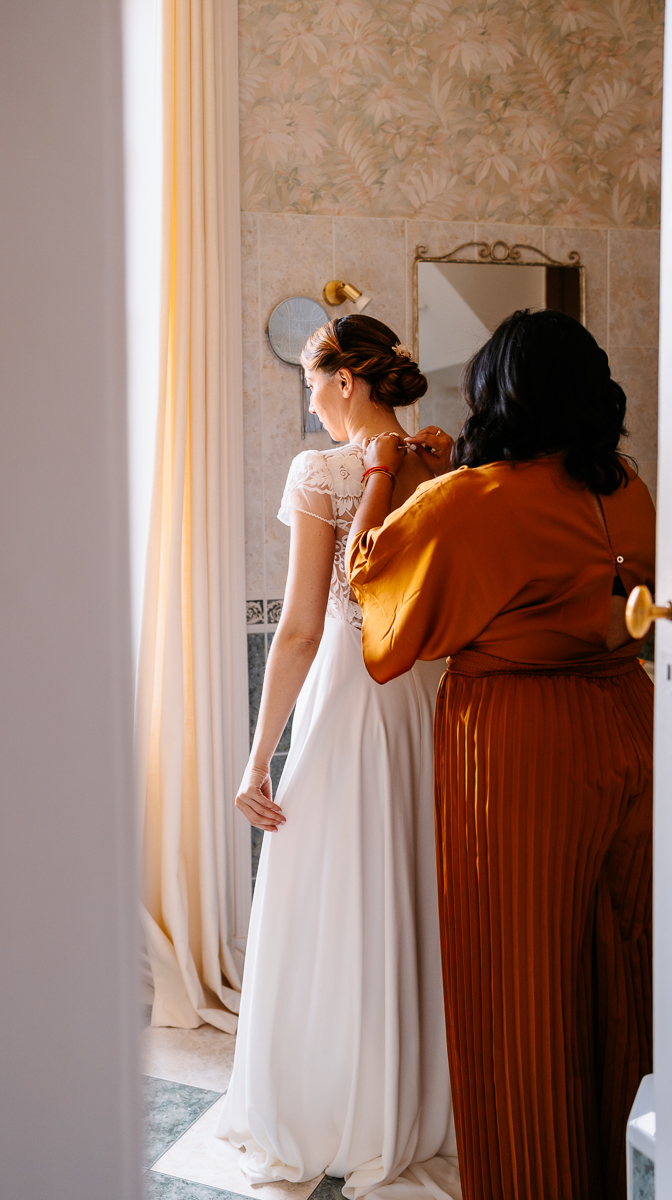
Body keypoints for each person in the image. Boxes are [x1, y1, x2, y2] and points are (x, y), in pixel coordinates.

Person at [346, 308, 654, 1200]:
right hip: (632, 726)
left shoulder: (476, 499)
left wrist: (399, 477)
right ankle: (626, 1172)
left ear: (496, 393)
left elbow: (376, 593)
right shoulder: (626, 483)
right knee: (622, 961)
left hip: (522, 750)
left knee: (517, 988)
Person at [216, 314, 459, 1199]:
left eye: (312, 385)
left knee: (324, 890)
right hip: (423, 704)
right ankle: (412, 1104)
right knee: (405, 883)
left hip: (349, 702)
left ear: (346, 383)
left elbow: (301, 627)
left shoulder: (320, 471)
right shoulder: (442, 464)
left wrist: (257, 758)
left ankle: (330, 1106)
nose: (310, 404)